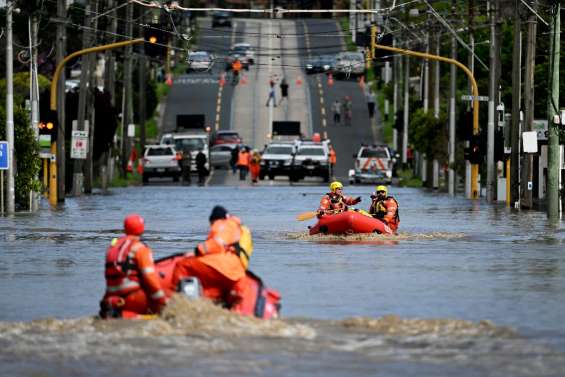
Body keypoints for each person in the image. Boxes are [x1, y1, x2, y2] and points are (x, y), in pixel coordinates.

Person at [171, 206, 248, 306]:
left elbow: (217, 243)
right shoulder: (237, 227)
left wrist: (196, 251)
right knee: (212, 288)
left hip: (222, 266)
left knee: (182, 264)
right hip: (236, 271)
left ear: (214, 219)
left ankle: (173, 300)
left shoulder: (222, 224)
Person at [99, 214, 167, 318]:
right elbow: (150, 278)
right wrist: (162, 301)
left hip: (111, 299)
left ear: (125, 228)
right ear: (142, 229)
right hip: (133, 298)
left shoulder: (112, 248)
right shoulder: (140, 248)